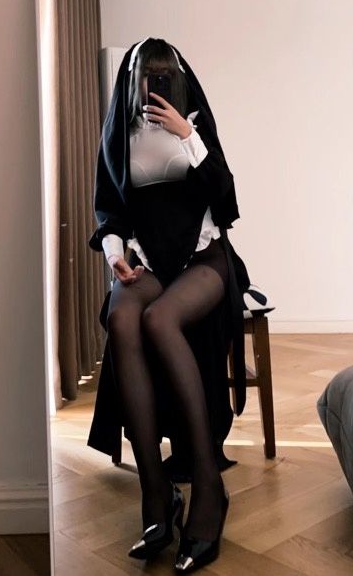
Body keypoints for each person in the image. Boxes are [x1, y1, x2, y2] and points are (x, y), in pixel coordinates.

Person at [87, 37, 251, 572]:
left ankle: (207, 487)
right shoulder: (119, 132)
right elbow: (108, 212)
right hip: (148, 262)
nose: (154, 84)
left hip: (205, 259)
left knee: (159, 320)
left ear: (177, 80)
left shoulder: (194, 127)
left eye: (164, 75)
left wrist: (188, 136)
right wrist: (115, 254)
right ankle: (156, 492)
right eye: (146, 75)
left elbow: (226, 202)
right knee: (123, 318)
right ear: (132, 80)